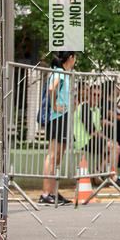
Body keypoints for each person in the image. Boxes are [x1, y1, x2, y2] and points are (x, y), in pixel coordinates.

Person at [39, 51, 76, 206]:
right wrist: (54, 106)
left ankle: (53, 192)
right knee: (53, 155)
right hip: (57, 117)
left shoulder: (63, 74)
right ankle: (46, 193)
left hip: (63, 116)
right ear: (71, 57)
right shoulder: (59, 72)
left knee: (58, 155)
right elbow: (52, 88)